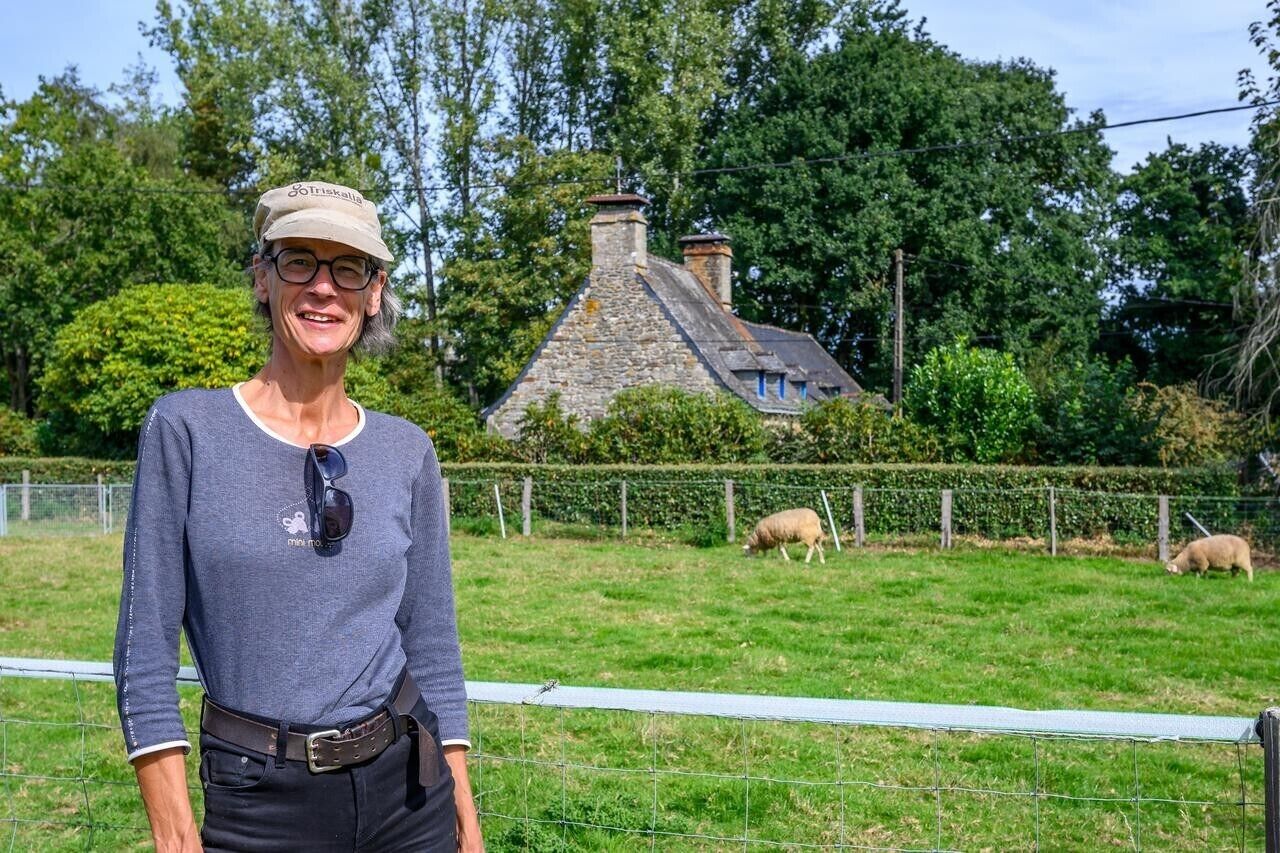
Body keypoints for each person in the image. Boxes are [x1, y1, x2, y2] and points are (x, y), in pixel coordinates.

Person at [113, 180, 483, 852]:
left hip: (408, 792)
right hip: (258, 803)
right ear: (262, 277)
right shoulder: (186, 430)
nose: (323, 287)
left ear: (374, 292)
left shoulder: (407, 450)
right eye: (299, 261)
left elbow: (432, 642)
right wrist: (174, 832)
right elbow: (143, 649)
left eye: (348, 267)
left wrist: (463, 809)